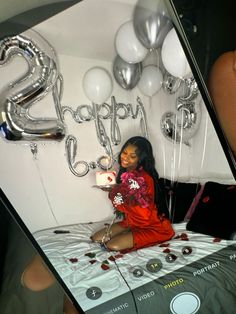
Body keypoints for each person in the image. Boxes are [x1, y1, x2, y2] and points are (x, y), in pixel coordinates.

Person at [91, 136, 175, 252]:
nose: (125, 158)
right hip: (132, 222)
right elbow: (121, 201)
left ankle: (130, 235)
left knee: (112, 245)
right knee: (96, 238)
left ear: (141, 159)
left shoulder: (143, 179)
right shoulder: (126, 173)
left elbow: (143, 215)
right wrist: (113, 191)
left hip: (151, 226)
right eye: (124, 153)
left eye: (132, 156)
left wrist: (113, 192)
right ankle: (127, 233)